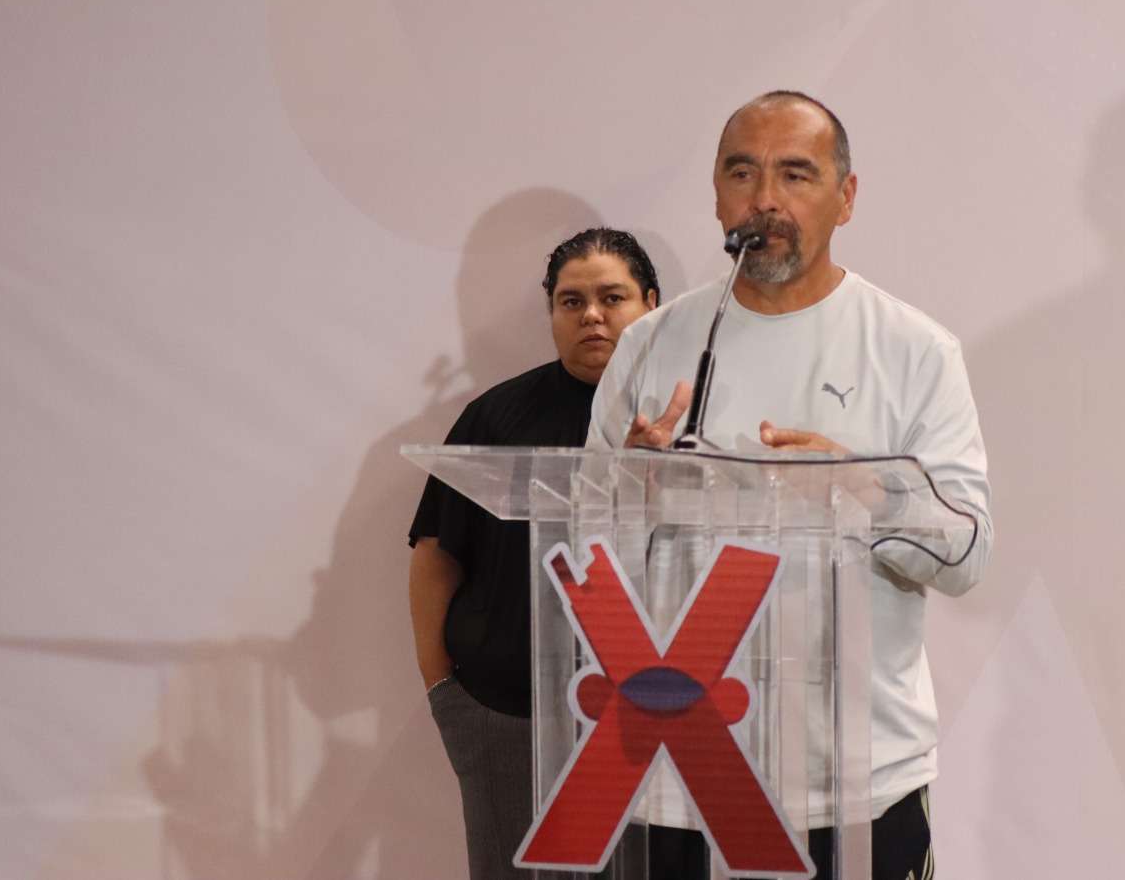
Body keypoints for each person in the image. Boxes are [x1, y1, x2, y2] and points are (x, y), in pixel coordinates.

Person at [587, 91, 993, 880]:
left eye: (796, 174)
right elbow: (585, 547)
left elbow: (966, 554)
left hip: (855, 779)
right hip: (678, 772)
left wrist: (865, 491)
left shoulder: (914, 350)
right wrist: (628, 494)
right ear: (716, 194)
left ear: (847, 197)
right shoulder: (653, 344)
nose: (765, 199)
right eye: (743, 173)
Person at [408, 227, 661, 880]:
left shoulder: (681, 420)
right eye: (571, 302)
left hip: (656, 720)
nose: (592, 316)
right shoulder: (496, 418)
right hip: (506, 716)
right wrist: (446, 693)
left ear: (651, 305)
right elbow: (436, 553)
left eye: (612, 297)